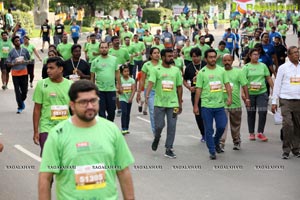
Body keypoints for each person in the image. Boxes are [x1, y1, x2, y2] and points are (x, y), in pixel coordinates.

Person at [38, 80, 135, 200]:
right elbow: (45, 178)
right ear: (72, 105)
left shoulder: (112, 130)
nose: (90, 106)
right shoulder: (57, 134)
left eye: (93, 100)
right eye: (83, 102)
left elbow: (123, 171)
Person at [193, 49, 232, 160]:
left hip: (219, 105)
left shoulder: (221, 71)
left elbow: (227, 85)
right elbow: (198, 89)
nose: (213, 59)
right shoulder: (202, 73)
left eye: (214, 57)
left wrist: (229, 97)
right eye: (210, 57)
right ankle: (212, 150)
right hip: (206, 106)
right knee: (209, 130)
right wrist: (196, 105)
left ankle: (215, 142)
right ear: (206, 59)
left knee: (221, 126)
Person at [146, 48, 183, 159]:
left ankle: (169, 148)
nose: (171, 58)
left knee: (172, 126)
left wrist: (180, 103)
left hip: (173, 103)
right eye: (169, 56)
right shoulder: (156, 69)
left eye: (172, 56)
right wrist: (146, 95)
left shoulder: (176, 70)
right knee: (159, 126)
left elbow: (179, 87)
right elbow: (151, 83)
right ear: (162, 57)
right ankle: (157, 138)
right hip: (159, 103)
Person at [33, 57, 72, 156]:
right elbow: (37, 109)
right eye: (47, 68)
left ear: (60, 69)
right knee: (48, 159)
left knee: (64, 159)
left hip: (66, 128)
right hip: (47, 128)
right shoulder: (42, 84)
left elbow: (75, 109)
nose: (48, 70)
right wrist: (36, 131)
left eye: (51, 68)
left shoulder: (70, 85)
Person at [271, 46, 300, 159]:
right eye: (293, 53)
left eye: (297, 52)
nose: (296, 54)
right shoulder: (283, 68)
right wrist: (274, 101)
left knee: (298, 126)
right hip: (286, 100)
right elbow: (277, 85)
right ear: (288, 56)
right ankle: (286, 150)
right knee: (288, 124)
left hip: (298, 100)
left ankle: (296, 149)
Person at [219, 54, 250, 151]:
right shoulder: (219, 72)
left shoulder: (238, 72)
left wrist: (247, 98)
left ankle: (236, 141)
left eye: (229, 60)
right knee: (222, 124)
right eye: (225, 60)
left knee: (235, 124)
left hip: (235, 103)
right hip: (221, 103)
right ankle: (221, 143)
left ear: (232, 61)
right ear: (222, 61)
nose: (227, 62)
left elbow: (245, 85)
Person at [243, 48, 274, 142]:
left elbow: (268, 78)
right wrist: (243, 94)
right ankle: (251, 133)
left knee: (262, 111)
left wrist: (274, 88)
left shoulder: (263, 66)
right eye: (254, 54)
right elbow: (243, 82)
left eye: (257, 54)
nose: (256, 56)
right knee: (251, 113)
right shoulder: (246, 67)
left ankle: (260, 132)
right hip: (250, 94)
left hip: (262, 93)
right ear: (250, 56)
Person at [91, 42, 122, 122]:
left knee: (111, 112)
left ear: (108, 48)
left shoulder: (114, 59)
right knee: (101, 113)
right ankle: (104, 129)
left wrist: (119, 85)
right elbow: (92, 77)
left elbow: (117, 73)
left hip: (111, 90)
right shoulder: (95, 61)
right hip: (100, 91)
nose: (104, 49)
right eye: (102, 47)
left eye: (105, 47)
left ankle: (109, 125)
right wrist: (92, 90)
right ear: (99, 49)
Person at [136, 47, 161, 135]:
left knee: (160, 113)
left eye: (158, 53)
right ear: (150, 55)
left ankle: (159, 127)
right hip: (150, 91)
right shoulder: (146, 65)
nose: (157, 54)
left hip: (162, 92)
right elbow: (142, 80)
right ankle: (155, 132)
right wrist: (139, 92)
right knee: (152, 111)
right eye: (154, 53)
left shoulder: (163, 64)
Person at [183, 47, 205, 142]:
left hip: (206, 93)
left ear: (200, 56)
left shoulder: (205, 65)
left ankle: (208, 132)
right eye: (193, 57)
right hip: (195, 94)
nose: (195, 58)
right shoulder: (189, 67)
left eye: (197, 56)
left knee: (207, 114)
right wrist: (189, 87)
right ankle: (203, 134)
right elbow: (184, 80)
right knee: (198, 115)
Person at [6, 36, 30, 114]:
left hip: (24, 73)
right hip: (15, 74)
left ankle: (21, 101)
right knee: (17, 91)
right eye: (16, 41)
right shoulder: (11, 52)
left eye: (19, 40)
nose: (18, 42)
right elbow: (8, 63)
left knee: (24, 91)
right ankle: (20, 106)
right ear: (13, 43)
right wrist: (14, 63)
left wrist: (25, 62)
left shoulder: (25, 50)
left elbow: (29, 60)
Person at [119, 64, 136, 134]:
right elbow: (118, 89)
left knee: (128, 113)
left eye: (128, 71)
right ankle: (123, 128)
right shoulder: (120, 80)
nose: (127, 73)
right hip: (122, 98)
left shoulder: (131, 80)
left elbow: (134, 89)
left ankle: (126, 127)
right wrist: (120, 90)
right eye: (125, 71)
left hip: (129, 98)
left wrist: (131, 98)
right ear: (121, 73)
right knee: (124, 112)